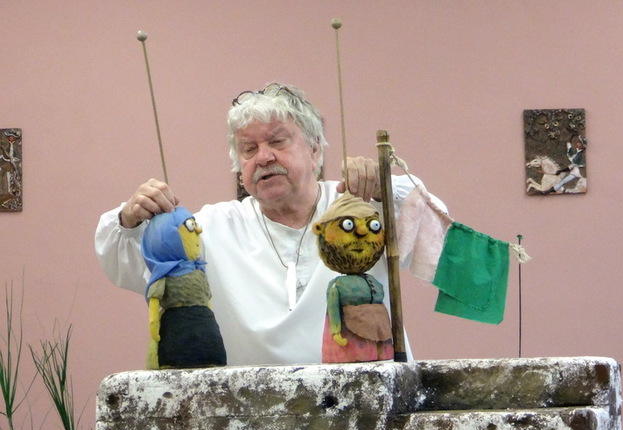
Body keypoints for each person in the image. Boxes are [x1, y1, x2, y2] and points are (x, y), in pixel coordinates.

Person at [95, 83, 439, 366]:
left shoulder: (361, 209)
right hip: (254, 414)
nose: (263, 157)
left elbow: (433, 234)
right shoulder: (212, 227)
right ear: (239, 169)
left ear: (315, 151)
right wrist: (129, 219)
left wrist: (383, 189)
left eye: (277, 141)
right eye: (248, 149)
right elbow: (130, 264)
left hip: (366, 405)